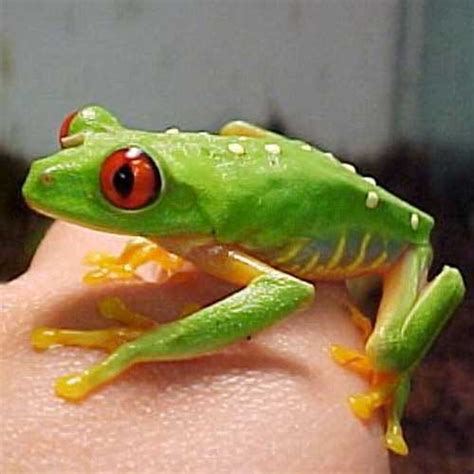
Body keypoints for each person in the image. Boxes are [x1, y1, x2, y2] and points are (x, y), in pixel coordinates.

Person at [1, 222, 389, 473]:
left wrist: (152, 343)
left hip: (384, 239)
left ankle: (395, 382)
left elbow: (289, 290)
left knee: (388, 351)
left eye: (125, 181)